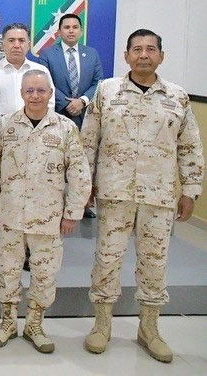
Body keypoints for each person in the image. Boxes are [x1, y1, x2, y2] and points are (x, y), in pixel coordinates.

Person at [81, 29, 203, 363]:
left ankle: (149, 328)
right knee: (107, 259)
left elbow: (190, 145)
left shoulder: (176, 96)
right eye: (137, 49)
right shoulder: (107, 91)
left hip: (158, 195)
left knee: (154, 263)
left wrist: (190, 190)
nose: (144, 55)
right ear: (126, 55)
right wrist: (84, 187)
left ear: (161, 56)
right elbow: (88, 141)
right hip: (114, 192)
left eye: (151, 49)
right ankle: (102, 324)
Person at [0, 70, 91, 353]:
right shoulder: (6, 125)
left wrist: (72, 213)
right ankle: (7, 322)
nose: (35, 96)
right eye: (29, 91)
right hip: (11, 215)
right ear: (21, 93)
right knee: (8, 270)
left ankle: (34, 323)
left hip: (49, 217)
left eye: (41, 91)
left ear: (50, 93)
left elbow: (79, 174)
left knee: (44, 273)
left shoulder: (66, 128)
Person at [0, 22, 54, 270]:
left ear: (29, 44)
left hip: (36, 146)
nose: (16, 45)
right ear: (3, 43)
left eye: (21, 40)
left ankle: (28, 253)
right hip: (1, 143)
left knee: (31, 199)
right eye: (11, 40)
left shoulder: (40, 69)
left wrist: (28, 129)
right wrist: (8, 126)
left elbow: (48, 104)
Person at [38, 13, 103, 129]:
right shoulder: (47, 54)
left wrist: (82, 101)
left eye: (75, 27)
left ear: (81, 31)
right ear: (59, 32)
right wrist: (67, 104)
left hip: (86, 115)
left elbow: (98, 83)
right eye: (67, 27)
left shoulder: (92, 54)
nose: (71, 31)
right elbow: (45, 83)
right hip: (57, 114)